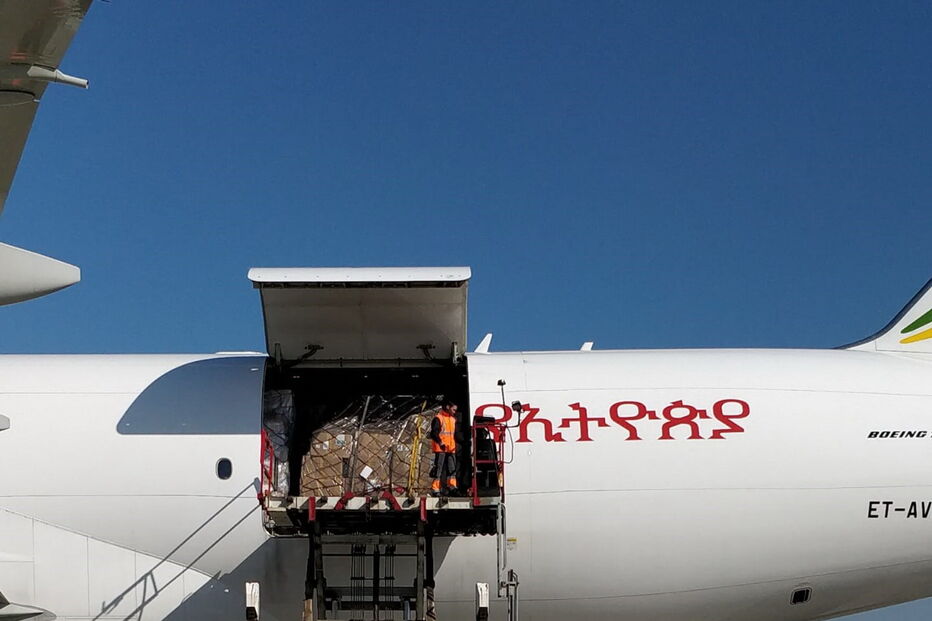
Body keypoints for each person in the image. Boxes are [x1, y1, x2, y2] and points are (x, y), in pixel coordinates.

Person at [430, 400, 458, 495]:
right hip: (441, 448)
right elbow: (434, 433)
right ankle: (435, 489)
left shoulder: (453, 420)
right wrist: (440, 442)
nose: (455, 412)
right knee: (439, 469)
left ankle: (452, 487)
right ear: (447, 407)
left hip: (451, 448)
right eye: (453, 410)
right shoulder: (438, 418)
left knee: (452, 469)